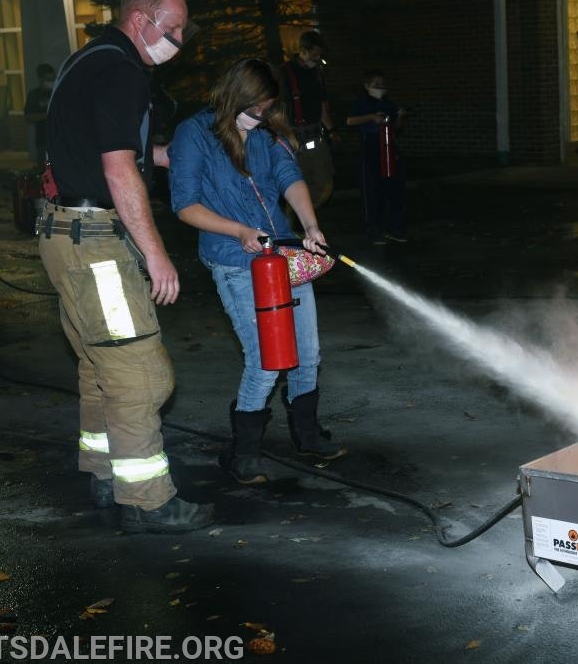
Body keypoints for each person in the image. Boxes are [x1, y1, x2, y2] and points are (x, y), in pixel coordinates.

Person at [39, 0, 212, 533]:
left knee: (99, 366)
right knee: (140, 376)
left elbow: (109, 152)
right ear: (141, 20)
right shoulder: (122, 72)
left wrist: (166, 157)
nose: (179, 40)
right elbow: (116, 170)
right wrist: (156, 254)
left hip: (62, 234)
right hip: (98, 245)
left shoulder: (86, 61)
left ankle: (104, 473)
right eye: (174, 28)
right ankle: (149, 501)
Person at [168, 58, 346, 485]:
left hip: (282, 255)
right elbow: (185, 205)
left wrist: (309, 224)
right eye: (255, 109)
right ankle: (243, 453)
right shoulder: (194, 134)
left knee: (307, 352)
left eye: (267, 110)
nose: (261, 118)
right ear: (234, 98)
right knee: (267, 360)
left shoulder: (265, 134)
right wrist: (239, 231)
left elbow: (289, 177)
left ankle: (307, 436)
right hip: (234, 261)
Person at [345, 69, 407, 244]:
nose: (381, 86)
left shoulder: (389, 103)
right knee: (372, 190)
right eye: (376, 83)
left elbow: (397, 127)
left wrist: (400, 117)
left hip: (389, 146)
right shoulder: (361, 103)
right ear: (367, 86)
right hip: (370, 146)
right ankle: (373, 230)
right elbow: (350, 121)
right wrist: (371, 117)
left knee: (394, 189)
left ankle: (395, 228)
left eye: (383, 83)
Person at [278, 30, 337, 209]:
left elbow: (321, 107)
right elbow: (275, 110)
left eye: (320, 54)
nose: (318, 58)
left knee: (325, 182)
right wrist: (285, 136)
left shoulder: (317, 73)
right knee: (296, 183)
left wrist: (332, 131)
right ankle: (295, 223)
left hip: (316, 137)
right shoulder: (284, 73)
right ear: (303, 50)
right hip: (294, 139)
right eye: (315, 54)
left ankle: (308, 215)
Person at [23, 63, 55, 171]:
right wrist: (46, 115)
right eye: (48, 79)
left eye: (52, 79)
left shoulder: (56, 92)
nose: (50, 81)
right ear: (40, 79)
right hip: (43, 140)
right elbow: (28, 117)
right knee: (44, 171)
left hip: (57, 140)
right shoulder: (34, 95)